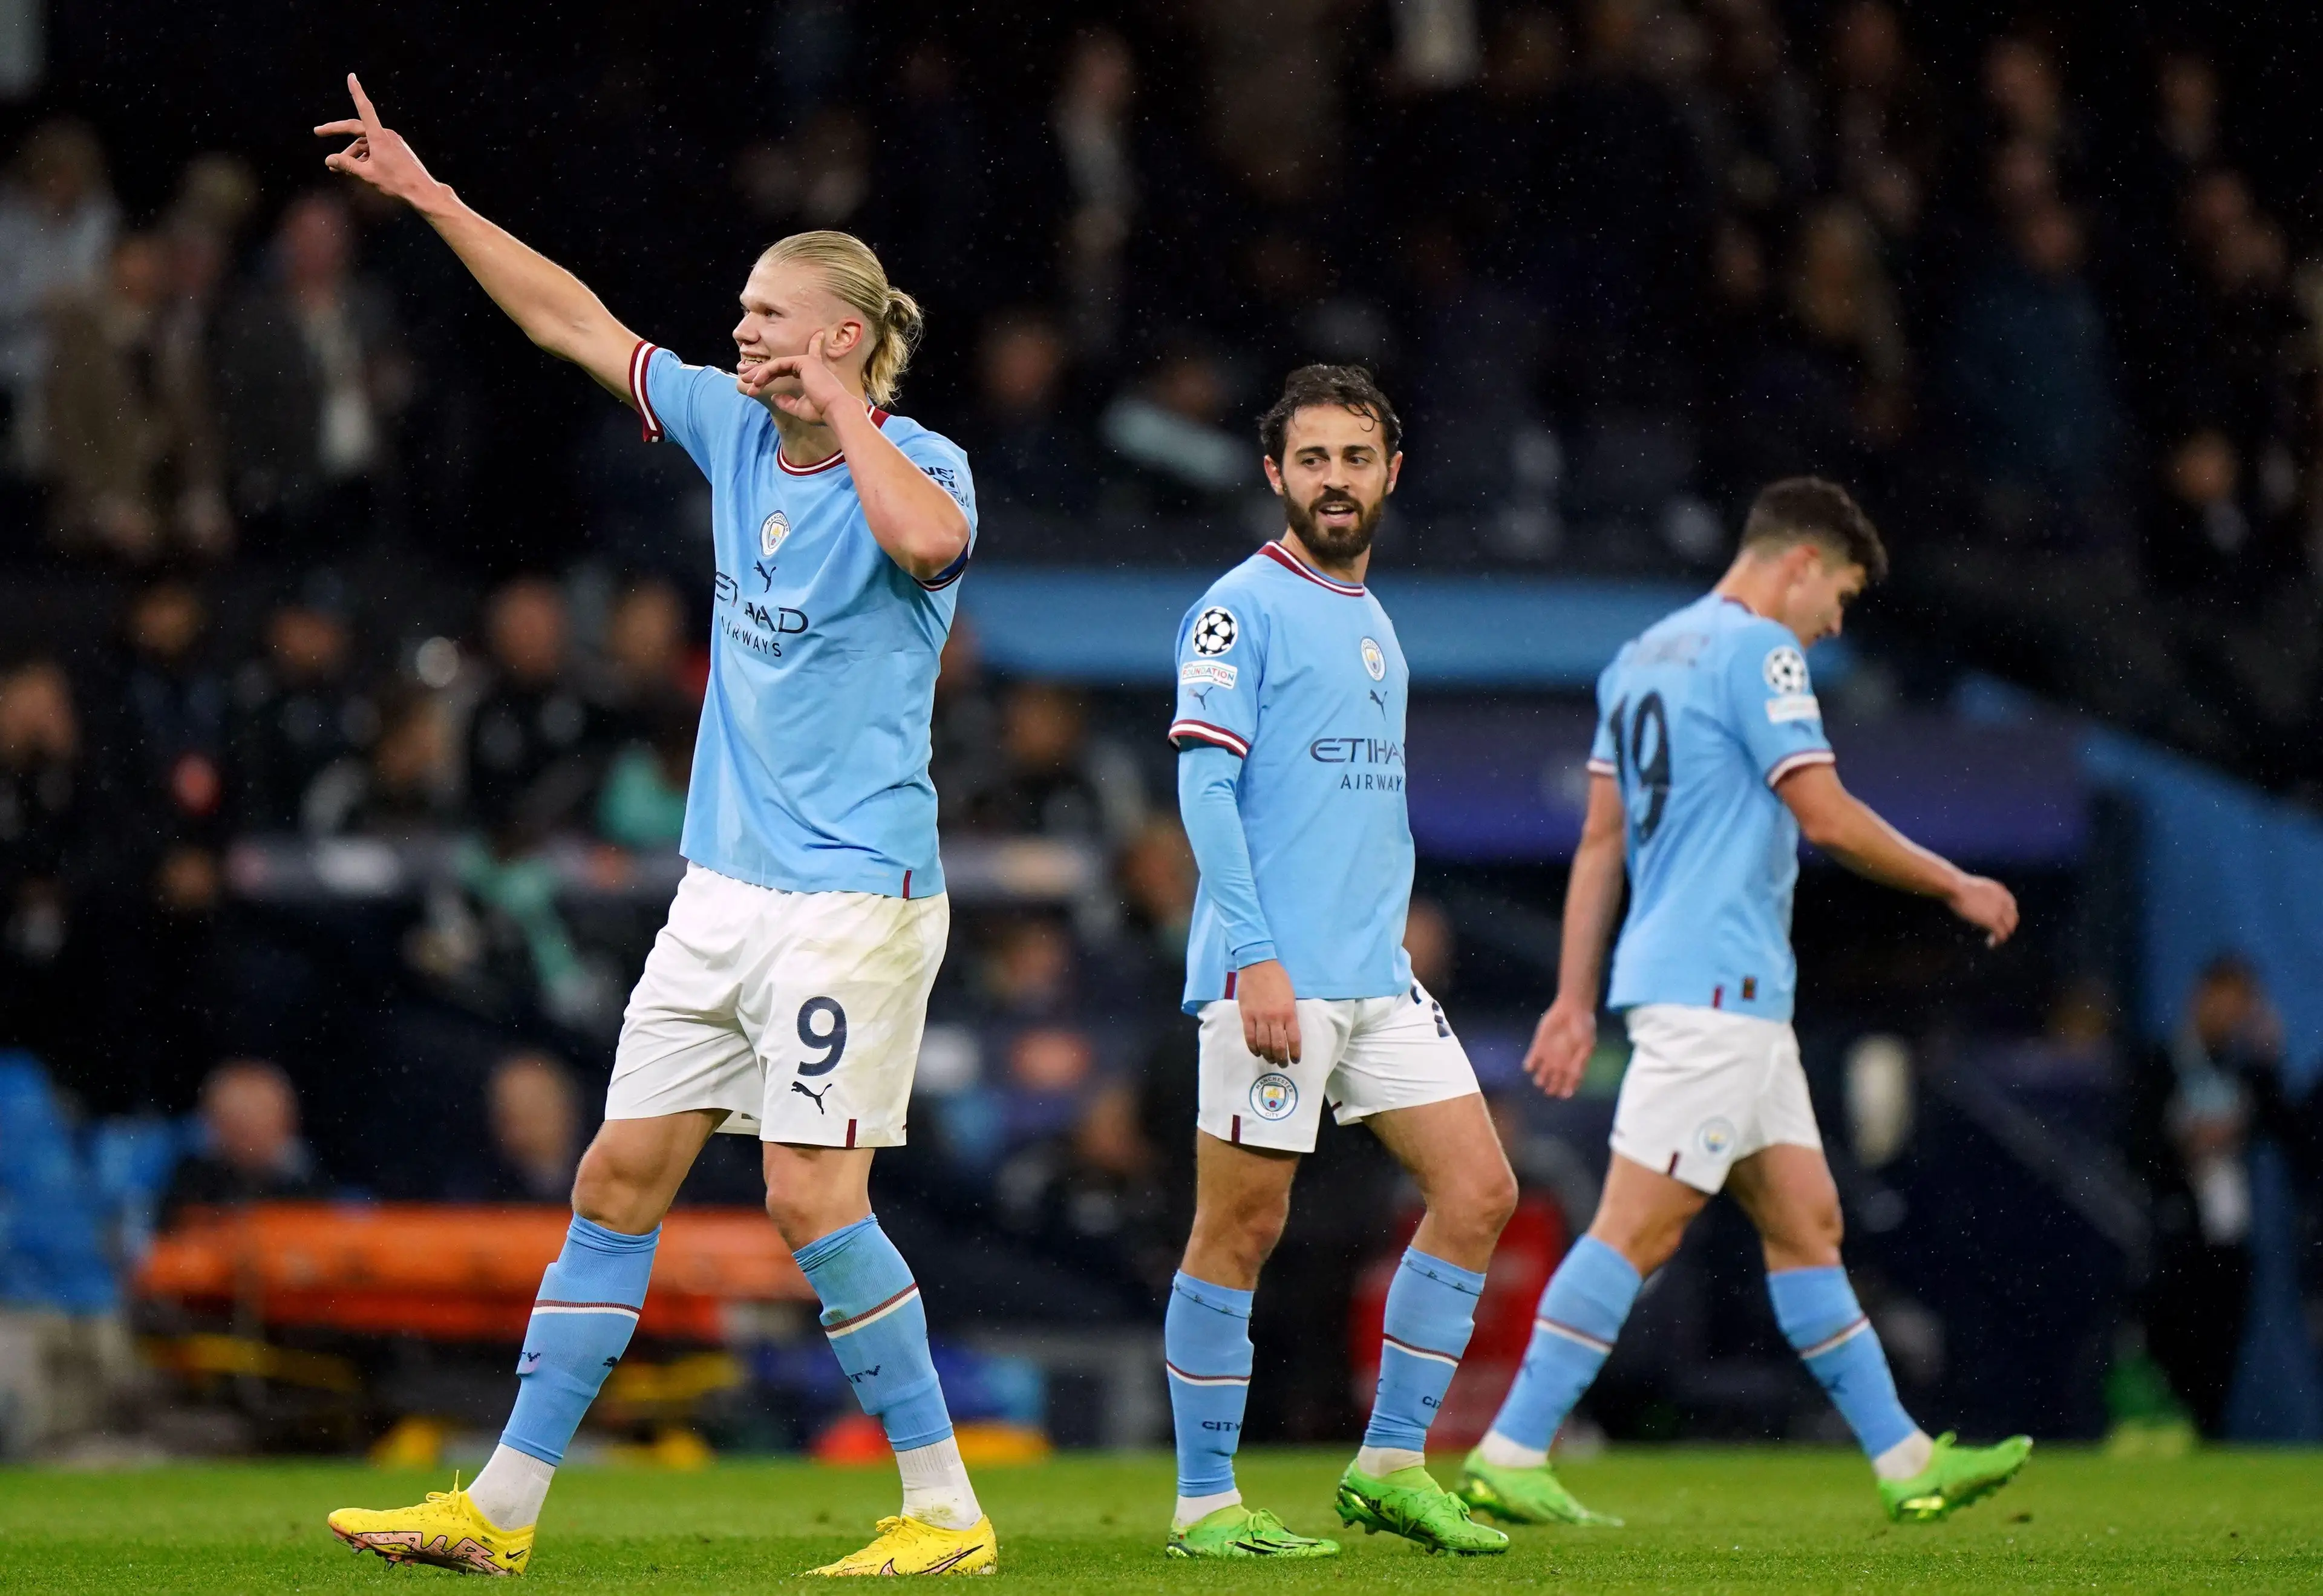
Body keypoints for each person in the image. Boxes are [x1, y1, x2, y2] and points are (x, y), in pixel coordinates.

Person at [309, 76, 993, 1578]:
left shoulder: (919, 462)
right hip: (723, 892)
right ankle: (497, 1508)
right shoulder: (726, 429)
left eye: (765, 315)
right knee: (616, 1176)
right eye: (739, 314)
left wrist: (850, 409)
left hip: (853, 896)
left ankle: (946, 1511)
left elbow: (933, 547)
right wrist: (430, 199)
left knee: (812, 1195)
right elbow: (571, 317)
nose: (734, 332)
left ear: (840, 336)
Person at [1457, 477, 2033, 1528]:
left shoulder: (1639, 659)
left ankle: (1906, 1459)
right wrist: (1954, 881)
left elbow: (1598, 842)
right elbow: (1825, 815)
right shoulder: (1757, 651)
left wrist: (1574, 997)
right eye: (1842, 595)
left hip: (1721, 993)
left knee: (1808, 1221)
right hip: (1714, 988)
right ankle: (1511, 1445)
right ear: (1801, 562)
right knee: (1638, 1227)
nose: (1836, 623)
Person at [1159, 365, 1517, 1560]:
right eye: (1312, 459)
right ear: (1276, 474)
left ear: (1391, 473)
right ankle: (1206, 1502)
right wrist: (1255, 957)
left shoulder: (1371, 617)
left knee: (1479, 1192)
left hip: (1375, 978)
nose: (1335, 480)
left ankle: (1390, 1464)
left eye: (1355, 459)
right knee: (1241, 1228)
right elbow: (1203, 786)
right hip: (1277, 980)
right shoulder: (1237, 606)